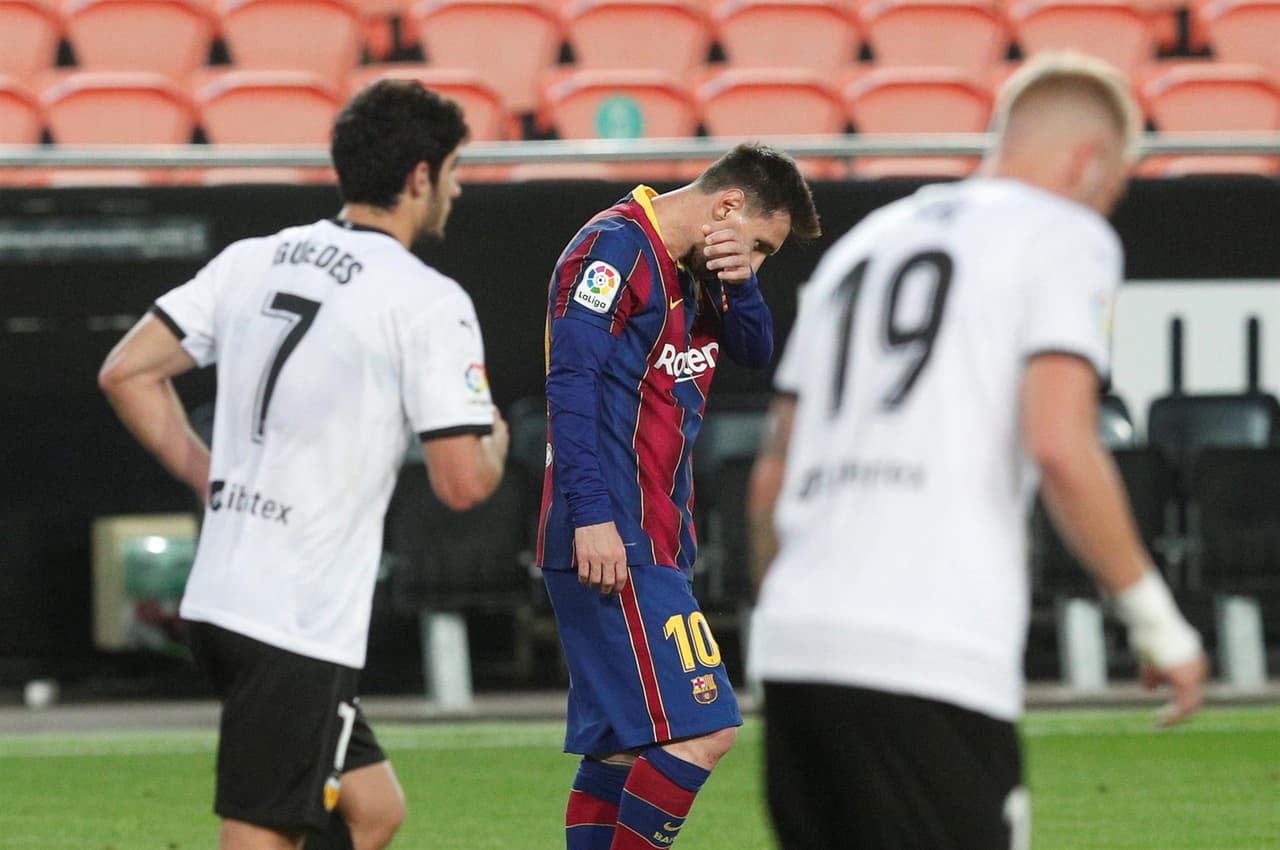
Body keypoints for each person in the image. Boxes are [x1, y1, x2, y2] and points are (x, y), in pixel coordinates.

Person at [749, 53, 1209, 850]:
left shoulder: (865, 245)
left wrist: (786, 612)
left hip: (797, 653)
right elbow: (1062, 443)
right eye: (1114, 184)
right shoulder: (1064, 233)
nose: (1108, 203)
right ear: (1088, 161)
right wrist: (1157, 624)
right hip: (931, 652)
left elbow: (773, 469)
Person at [98, 80, 509, 850]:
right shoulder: (425, 298)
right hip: (295, 615)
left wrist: (206, 473)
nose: (458, 186)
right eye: (454, 169)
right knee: (260, 835)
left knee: (372, 812)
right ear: (419, 176)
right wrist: (496, 441)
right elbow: (461, 482)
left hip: (223, 595)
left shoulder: (254, 259)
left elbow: (127, 370)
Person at [535, 143, 821, 850]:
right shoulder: (611, 252)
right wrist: (595, 518)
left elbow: (757, 352)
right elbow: (568, 388)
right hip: (612, 534)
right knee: (708, 726)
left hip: (658, 534)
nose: (753, 261)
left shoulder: (704, 270)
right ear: (725, 206)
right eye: (757, 245)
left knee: (623, 748)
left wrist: (742, 281)